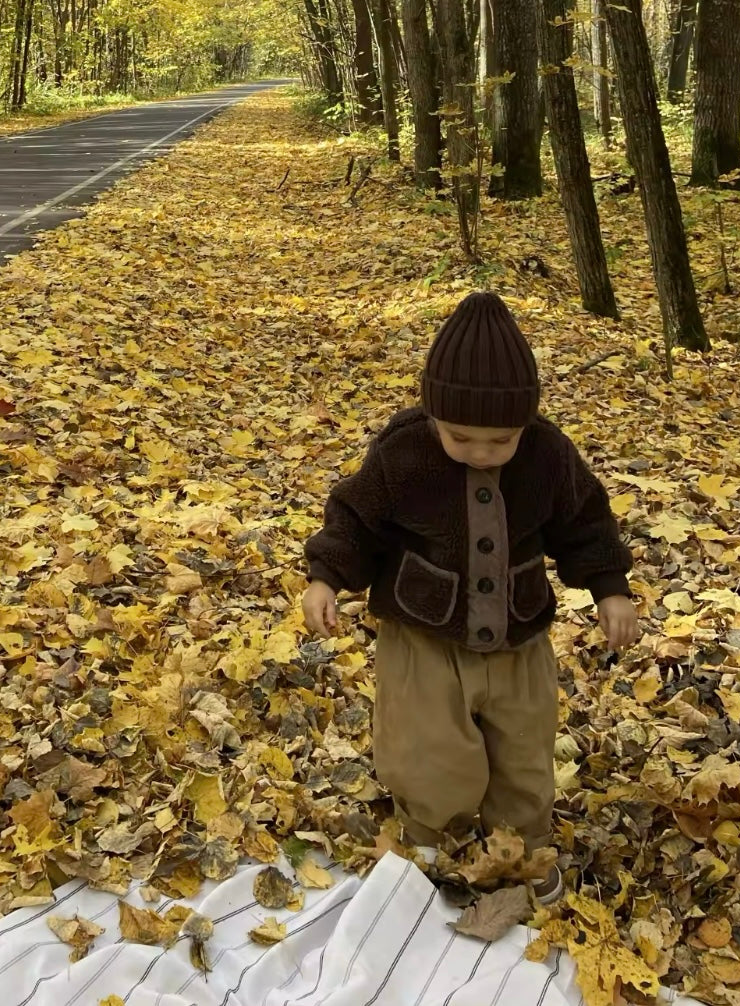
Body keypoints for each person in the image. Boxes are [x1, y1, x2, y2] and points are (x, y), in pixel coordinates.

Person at [301, 291, 639, 903]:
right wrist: (327, 575)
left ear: (525, 423)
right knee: (429, 745)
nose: (482, 453)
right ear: (433, 414)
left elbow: (584, 521)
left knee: (524, 745)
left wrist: (609, 587)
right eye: (461, 437)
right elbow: (357, 517)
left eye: (500, 441)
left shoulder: (547, 455)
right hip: (424, 635)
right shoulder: (404, 452)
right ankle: (431, 834)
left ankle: (524, 842)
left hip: (519, 636)